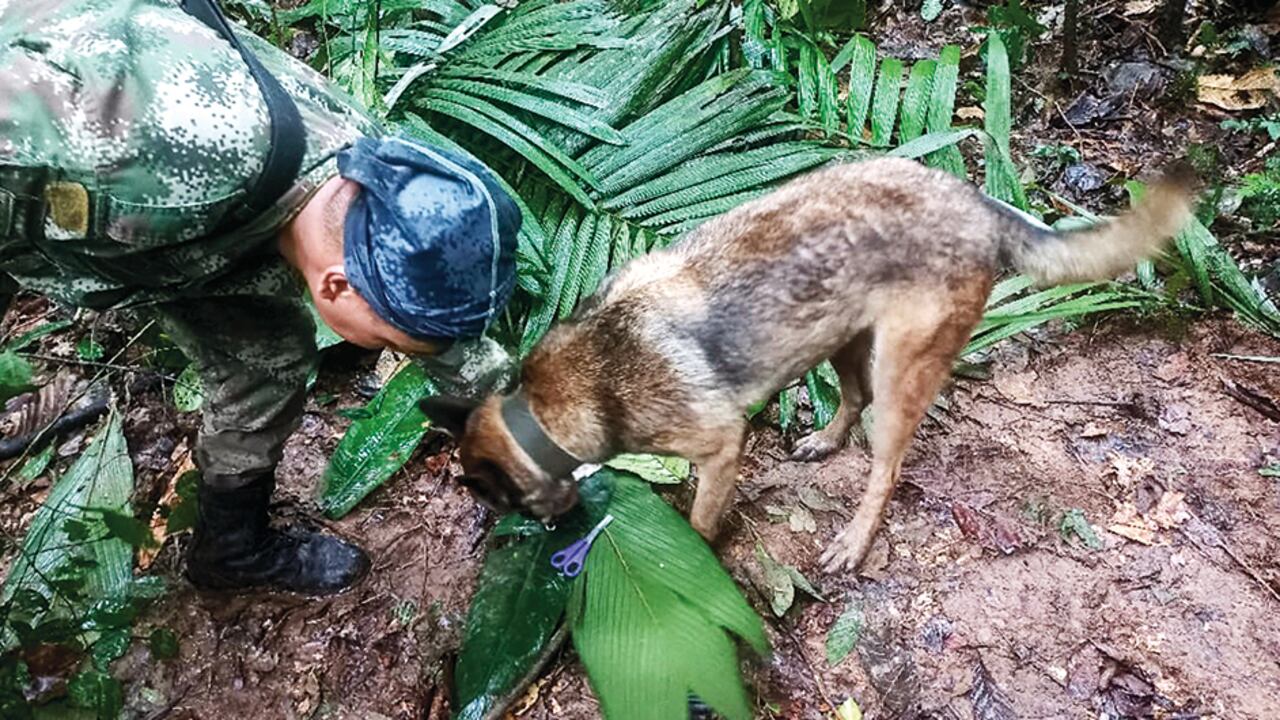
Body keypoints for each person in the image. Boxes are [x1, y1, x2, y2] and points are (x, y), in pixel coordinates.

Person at [0, 0, 521, 594]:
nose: (396, 348)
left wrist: (523, 438)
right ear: (335, 285)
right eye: (389, 343)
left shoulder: (371, 179)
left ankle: (230, 550)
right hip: (44, 149)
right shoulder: (140, 166)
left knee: (265, 361)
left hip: (194, 233)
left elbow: (438, 334)